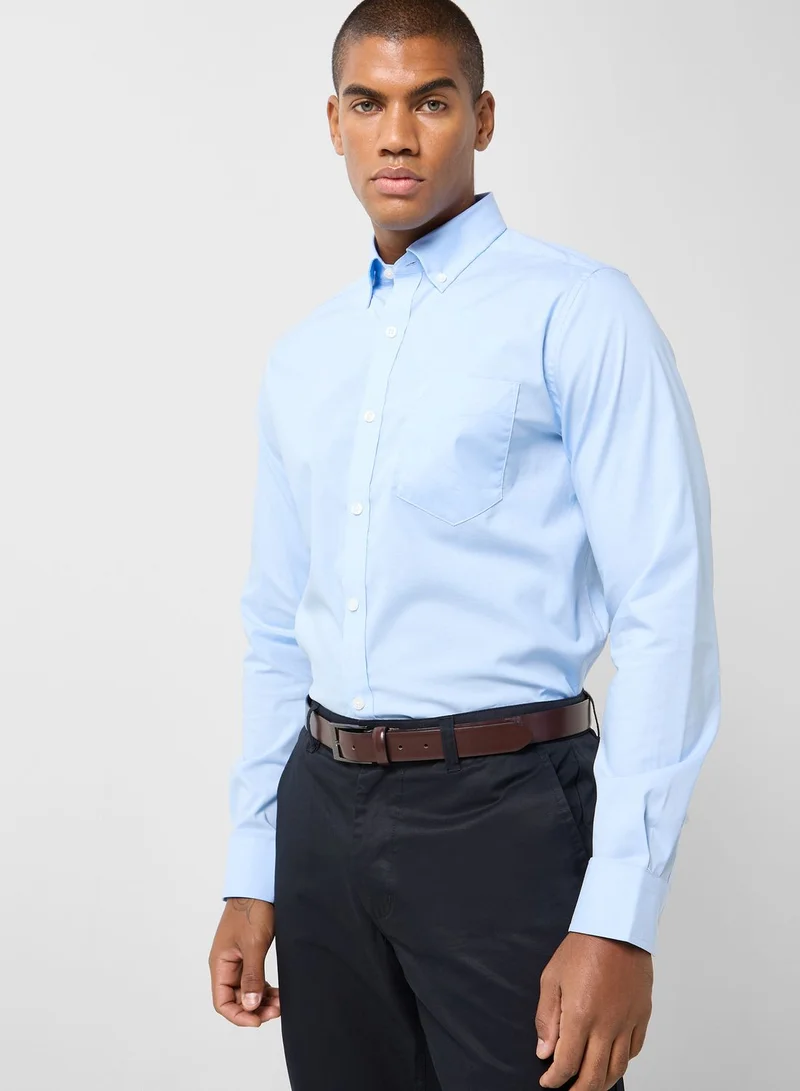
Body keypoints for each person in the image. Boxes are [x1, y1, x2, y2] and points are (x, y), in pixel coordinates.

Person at [208, 2, 721, 1088]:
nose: (397, 135)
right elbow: (276, 624)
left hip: (503, 817)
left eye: (430, 102)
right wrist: (253, 867)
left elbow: (664, 609)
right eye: (368, 103)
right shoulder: (305, 358)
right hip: (321, 815)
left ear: (481, 118)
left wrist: (618, 916)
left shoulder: (579, 312)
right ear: (334, 123)